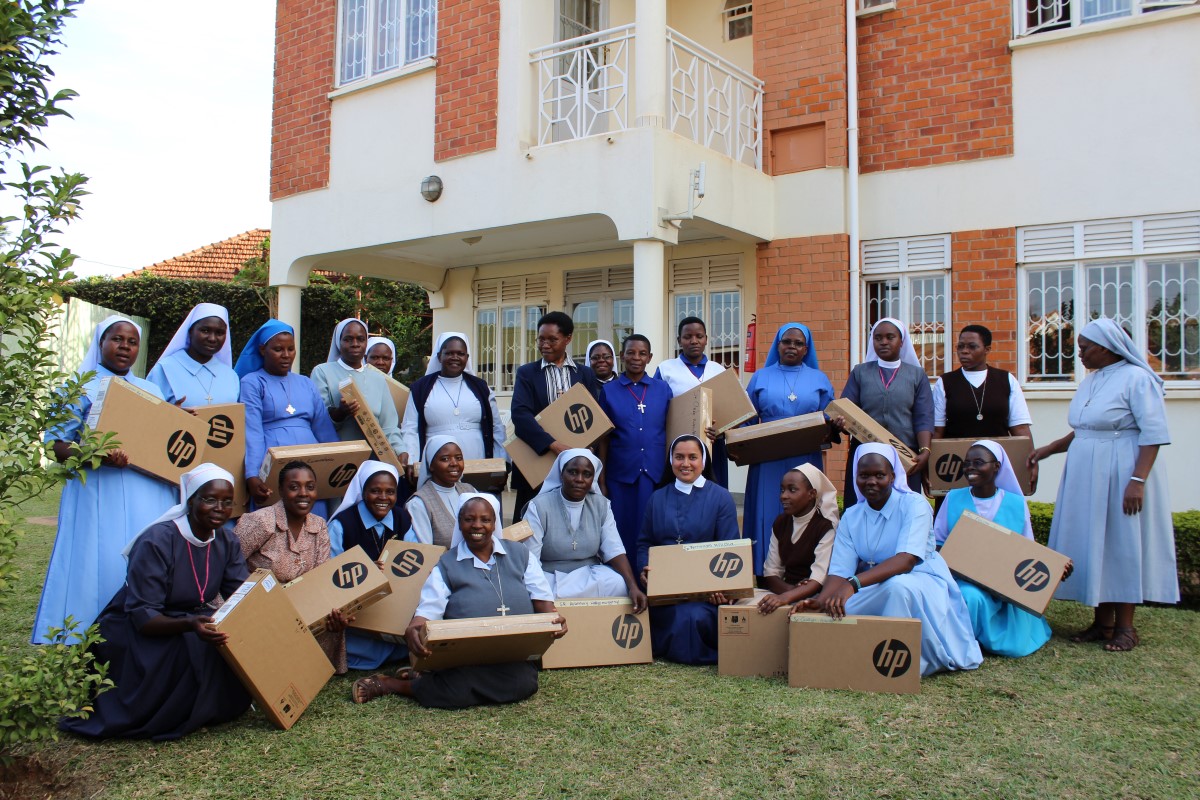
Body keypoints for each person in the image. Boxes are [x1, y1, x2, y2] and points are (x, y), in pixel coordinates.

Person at [60, 465, 251, 740]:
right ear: (191, 500)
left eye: (226, 501)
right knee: (193, 647)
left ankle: (211, 710)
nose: (219, 508)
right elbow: (143, 615)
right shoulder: (157, 540)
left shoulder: (226, 539)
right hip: (138, 626)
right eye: (209, 499)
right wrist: (190, 624)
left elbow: (242, 592)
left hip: (191, 619)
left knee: (224, 640)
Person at [1027, 318, 1176, 652]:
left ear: (1107, 347)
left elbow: (1153, 435)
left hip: (1121, 470)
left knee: (1121, 542)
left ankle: (1125, 627)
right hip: (1086, 473)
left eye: (1085, 348)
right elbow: (1084, 428)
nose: (1079, 354)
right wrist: (1050, 449)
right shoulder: (1091, 381)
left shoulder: (1138, 379)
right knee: (1096, 541)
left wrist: (1137, 480)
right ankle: (1101, 622)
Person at [33, 316, 177, 644]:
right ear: (100, 343)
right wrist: (96, 453)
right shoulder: (78, 386)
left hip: (147, 494)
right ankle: (86, 632)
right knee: (99, 561)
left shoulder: (150, 389)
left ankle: (142, 625)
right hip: (99, 491)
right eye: (117, 339)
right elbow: (56, 446)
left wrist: (178, 421)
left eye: (132, 341)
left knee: (142, 557)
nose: (124, 347)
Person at [350, 494, 566, 708]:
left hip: (510, 655)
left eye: (485, 519)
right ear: (459, 523)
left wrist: (555, 620)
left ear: (495, 523)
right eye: (469, 519)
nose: (477, 526)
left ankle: (424, 679)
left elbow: (543, 602)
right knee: (455, 693)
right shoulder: (446, 564)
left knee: (525, 684)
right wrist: (414, 629)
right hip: (463, 659)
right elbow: (428, 610)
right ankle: (393, 685)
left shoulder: (521, 555)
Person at [799, 444, 983, 676]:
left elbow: (906, 561)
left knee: (897, 588)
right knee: (835, 606)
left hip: (921, 581)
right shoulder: (853, 515)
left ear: (893, 476)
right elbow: (839, 571)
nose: (871, 481)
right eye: (864, 475)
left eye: (880, 475)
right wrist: (822, 600)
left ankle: (904, 663)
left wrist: (852, 584)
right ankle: (861, 653)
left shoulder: (915, 505)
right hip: (873, 584)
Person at [933, 441, 1063, 658]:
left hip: (1004, 585)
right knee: (970, 597)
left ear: (996, 466)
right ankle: (965, 644)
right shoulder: (953, 497)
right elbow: (938, 541)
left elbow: (1027, 548)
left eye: (978, 462)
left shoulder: (1015, 503)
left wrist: (1058, 568)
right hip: (963, 579)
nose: (970, 468)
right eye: (967, 463)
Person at [234, 460, 350, 673]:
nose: (303, 493)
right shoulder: (261, 522)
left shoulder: (318, 524)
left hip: (299, 601)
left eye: (310, 487)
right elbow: (227, 563)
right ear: (280, 490)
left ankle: (312, 669)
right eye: (294, 487)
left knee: (332, 614)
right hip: (258, 603)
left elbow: (321, 576)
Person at [637, 435, 741, 665]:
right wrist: (644, 570)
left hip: (704, 593)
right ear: (670, 461)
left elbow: (730, 546)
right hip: (666, 591)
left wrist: (722, 587)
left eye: (693, 457)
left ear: (703, 461)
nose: (685, 463)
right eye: (679, 457)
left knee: (691, 616)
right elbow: (644, 543)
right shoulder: (657, 498)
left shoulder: (721, 497)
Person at [742, 323, 835, 575]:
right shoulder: (760, 376)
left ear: (806, 349)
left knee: (805, 511)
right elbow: (747, 421)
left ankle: (806, 572)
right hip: (767, 457)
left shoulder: (819, 379)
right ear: (778, 345)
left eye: (798, 343)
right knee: (767, 509)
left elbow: (830, 419)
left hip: (805, 456)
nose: (791, 347)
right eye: (786, 342)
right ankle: (764, 574)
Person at [235, 320, 338, 515]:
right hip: (273, 464)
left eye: (291, 349)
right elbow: (252, 431)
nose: (286, 355)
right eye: (278, 349)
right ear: (262, 350)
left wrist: (339, 464)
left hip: (311, 464)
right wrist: (252, 475)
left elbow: (324, 428)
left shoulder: (306, 383)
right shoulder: (252, 382)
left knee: (314, 521)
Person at [525, 449, 647, 609]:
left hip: (588, 573)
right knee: (536, 591)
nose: (579, 479)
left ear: (593, 478)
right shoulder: (538, 506)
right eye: (573, 472)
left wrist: (633, 586)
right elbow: (531, 559)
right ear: (561, 474)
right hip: (551, 575)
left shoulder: (601, 505)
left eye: (587, 474)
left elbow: (614, 549)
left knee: (617, 583)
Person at [510, 311, 600, 521]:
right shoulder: (527, 373)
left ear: (568, 339)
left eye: (552, 339)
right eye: (541, 339)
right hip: (538, 459)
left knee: (570, 518)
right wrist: (552, 444)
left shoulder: (584, 374)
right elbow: (520, 415)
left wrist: (589, 446)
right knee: (530, 521)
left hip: (574, 462)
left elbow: (593, 415)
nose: (545, 344)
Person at [833, 317, 933, 506]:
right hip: (865, 453)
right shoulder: (860, 373)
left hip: (904, 455)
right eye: (878, 338)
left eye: (890, 337)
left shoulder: (917, 375)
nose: (884, 342)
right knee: (862, 507)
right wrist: (841, 423)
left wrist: (925, 451)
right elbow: (847, 410)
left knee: (903, 508)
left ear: (901, 341)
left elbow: (924, 416)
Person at [329, 460, 414, 670]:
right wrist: (365, 575)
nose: (383, 498)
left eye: (390, 492)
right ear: (362, 491)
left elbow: (417, 557)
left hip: (395, 605)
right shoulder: (342, 524)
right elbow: (331, 576)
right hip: (357, 613)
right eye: (375, 491)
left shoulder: (402, 518)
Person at [932, 324, 1036, 496]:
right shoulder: (945, 382)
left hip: (997, 469)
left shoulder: (1006, 380)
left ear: (987, 349)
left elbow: (1021, 429)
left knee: (998, 518)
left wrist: (1031, 464)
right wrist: (932, 469)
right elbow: (937, 431)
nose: (964, 351)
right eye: (960, 346)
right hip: (957, 468)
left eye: (972, 346)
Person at [597, 334, 672, 567]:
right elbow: (603, 437)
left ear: (649, 357)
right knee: (622, 529)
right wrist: (601, 478)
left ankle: (653, 580)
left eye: (642, 353)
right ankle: (625, 582)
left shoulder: (662, 389)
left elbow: (671, 428)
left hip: (655, 473)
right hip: (621, 474)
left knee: (654, 529)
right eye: (630, 352)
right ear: (622, 356)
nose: (636, 358)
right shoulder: (609, 391)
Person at [400, 332, 506, 483]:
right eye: (449, 353)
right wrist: (411, 460)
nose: (455, 357)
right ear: (439, 356)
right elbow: (410, 428)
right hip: (436, 466)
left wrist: (501, 461)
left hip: (478, 462)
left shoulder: (480, 387)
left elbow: (496, 427)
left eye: (460, 354)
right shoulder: (421, 388)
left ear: (467, 358)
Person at [654, 316, 732, 488]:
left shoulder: (718, 370)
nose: (694, 341)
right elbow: (657, 408)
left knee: (713, 492)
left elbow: (730, 409)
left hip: (713, 445)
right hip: (680, 446)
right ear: (679, 340)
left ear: (706, 339)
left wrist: (721, 430)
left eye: (699, 336)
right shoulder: (666, 369)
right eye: (687, 337)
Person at [310, 318, 405, 456]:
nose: (355, 344)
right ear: (339, 341)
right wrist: (340, 413)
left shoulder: (377, 378)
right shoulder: (322, 372)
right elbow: (318, 419)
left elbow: (389, 425)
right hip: (339, 454)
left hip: (374, 456)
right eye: (348, 339)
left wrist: (401, 451)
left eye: (360, 339)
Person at [756, 464, 840, 614]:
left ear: (811, 494)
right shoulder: (781, 522)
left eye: (792, 490)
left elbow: (817, 580)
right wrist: (790, 592)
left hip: (814, 596)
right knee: (744, 603)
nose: (784, 495)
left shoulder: (825, 528)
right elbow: (771, 572)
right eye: (782, 490)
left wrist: (787, 597)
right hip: (784, 590)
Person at [146, 302, 240, 407]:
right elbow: (148, 413)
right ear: (190, 331)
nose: (212, 338)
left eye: (219, 333)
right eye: (205, 330)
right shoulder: (164, 369)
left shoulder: (231, 376)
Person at [405, 435, 475, 547]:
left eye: (458, 458)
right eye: (445, 459)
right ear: (431, 465)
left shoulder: (471, 491)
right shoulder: (418, 503)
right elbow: (427, 552)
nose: (454, 463)